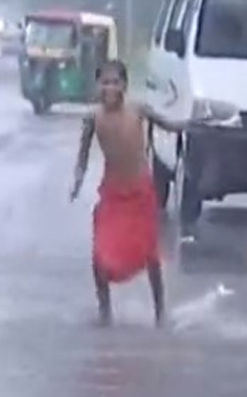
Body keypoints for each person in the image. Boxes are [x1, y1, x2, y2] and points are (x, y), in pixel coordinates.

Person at [70, 60, 186, 327]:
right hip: (112, 194)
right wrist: (76, 182)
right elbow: (82, 158)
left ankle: (160, 313)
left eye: (115, 82)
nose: (110, 87)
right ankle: (105, 313)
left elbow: (171, 125)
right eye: (105, 82)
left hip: (140, 193)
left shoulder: (138, 110)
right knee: (99, 256)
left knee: (149, 255)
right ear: (97, 86)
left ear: (125, 85)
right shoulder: (92, 118)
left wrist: (195, 121)